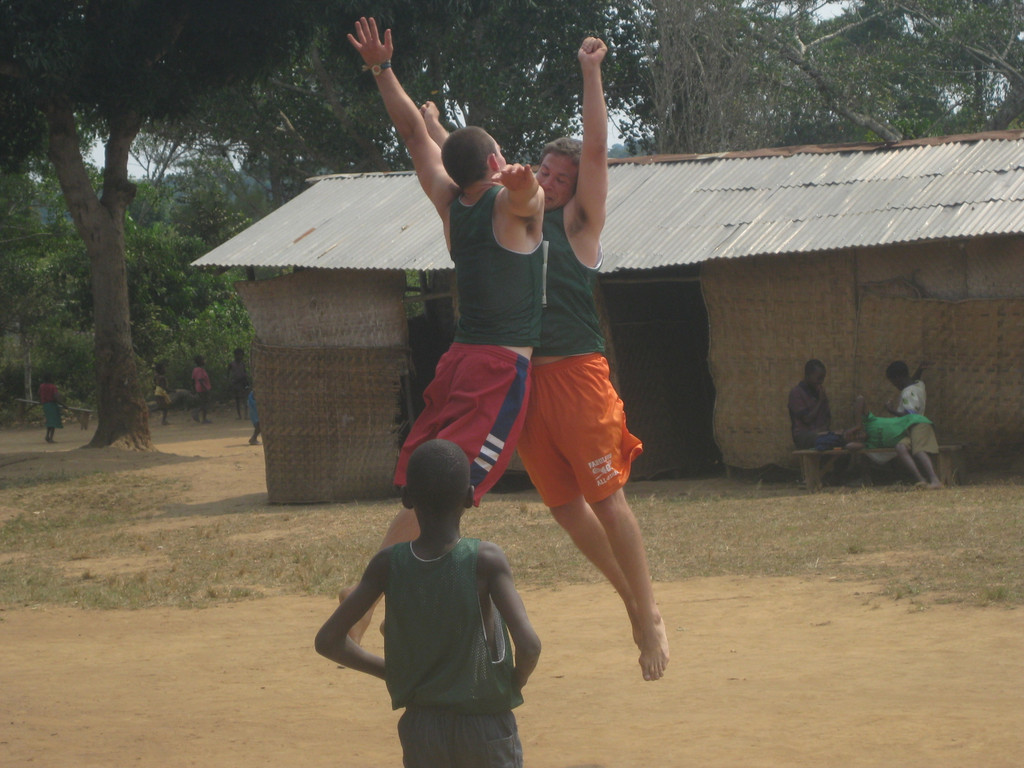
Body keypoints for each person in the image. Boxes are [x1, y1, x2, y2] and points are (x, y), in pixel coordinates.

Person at [421, 36, 669, 681]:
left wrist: (591, 72)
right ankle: (631, 601)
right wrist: (433, 126)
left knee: (607, 497)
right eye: (548, 174)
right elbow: (465, 166)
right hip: (523, 378)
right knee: (562, 505)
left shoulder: (579, 226)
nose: (555, 183)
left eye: (564, 178)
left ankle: (648, 616)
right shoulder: (515, 216)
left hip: (578, 374)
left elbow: (593, 149)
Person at [346, 21, 544, 543]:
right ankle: (365, 600)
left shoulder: (451, 204)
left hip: (459, 360)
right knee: (447, 489)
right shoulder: (510, 205)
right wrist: (524, 187)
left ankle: (407, 587)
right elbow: (528, 201)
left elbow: (414, 135)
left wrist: (382, 69)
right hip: (495, 369)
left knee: (429, 483)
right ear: (497, 163)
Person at [315, 439, 541, 768]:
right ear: (469, 496)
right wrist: (512, 682)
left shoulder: (386, 564)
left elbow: (327, 641)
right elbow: (530, 646)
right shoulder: (485, 560)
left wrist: (390, 673)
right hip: (486, 725)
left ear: (407, 498)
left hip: (421, 728)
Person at [847, 395, 943, 489]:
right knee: (900, 448)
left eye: (857, 433)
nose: (858, 436)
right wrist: (848, 437)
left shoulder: (869, 422)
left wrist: (857, 425)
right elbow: (849, 446)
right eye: (856, 438)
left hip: (914, 423)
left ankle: (935, 481)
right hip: (905, 436)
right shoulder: (869, 444)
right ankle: (921, 480)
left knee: (918, 450)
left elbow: (860, 399)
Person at [788, 359, 832, 449]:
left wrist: (825, 429)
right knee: (828, 441)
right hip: (803, 436)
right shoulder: (796, 393)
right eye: (819, 378)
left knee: (842, 441)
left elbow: (827, 416)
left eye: (823, 378)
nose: (821, 382)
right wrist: (820, 401)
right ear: (808, 375)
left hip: (821, 434)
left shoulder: (819, 393)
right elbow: (807, 419)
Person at [38, 373, 64, 443]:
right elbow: (56, 396)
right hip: (52, 405)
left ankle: (47, 436)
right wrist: (62, 404)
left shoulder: (41, 386)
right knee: (53, 422)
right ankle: (51, 438)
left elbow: (39, 394)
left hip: (45, 405)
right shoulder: (52, 387)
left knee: (49, 421)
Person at [227, 348, 250, 420]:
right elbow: (227, 373)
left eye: (241, 355)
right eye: (238, 355)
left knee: (245, 399)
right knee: (237, 400)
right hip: (236, 383)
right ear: (235, 355)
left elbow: (245, 373)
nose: (239, 357)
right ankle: (239, 415)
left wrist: (247, 382)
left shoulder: (243, 364)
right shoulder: (231, 364)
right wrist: (229, 381)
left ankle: (246, 415)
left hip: (242, 382)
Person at [191, 355, 212, 424]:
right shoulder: (200, 370)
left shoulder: (195, 370)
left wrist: (193, 388)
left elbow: (193, 379)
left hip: (198, 388)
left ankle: (200, 415)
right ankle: (201, 416)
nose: (204, 361)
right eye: (203, 360)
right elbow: (201, 380)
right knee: (205, 403)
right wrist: (206, 388)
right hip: (203, 389)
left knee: (203, 402)